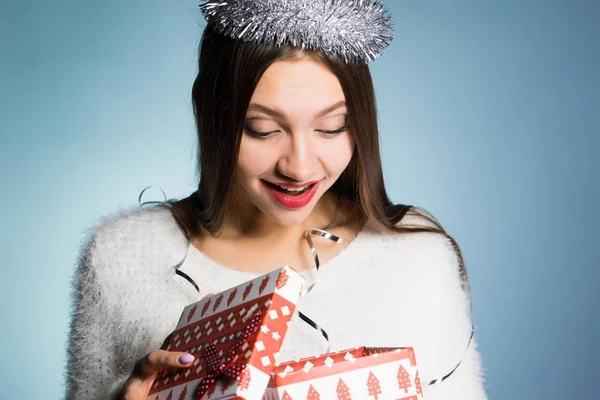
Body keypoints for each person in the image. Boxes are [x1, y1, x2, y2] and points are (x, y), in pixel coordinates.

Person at [64, 1, 486, 399]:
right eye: (262, 129)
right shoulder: (122, 257)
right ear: (209, 112)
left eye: (333, 127)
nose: (300, 168)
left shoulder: (419, 257)